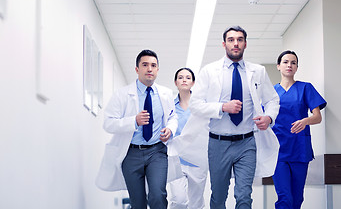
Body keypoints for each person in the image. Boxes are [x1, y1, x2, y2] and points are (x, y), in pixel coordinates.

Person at [175, 25, 280, 209]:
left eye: (239, 39)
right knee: (218, 197)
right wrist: (222, 107)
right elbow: (196, 105)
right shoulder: (209, 71)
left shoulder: (258, 71)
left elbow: (272, 99)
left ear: (245, 44)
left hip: (247, 143)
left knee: (244, 196)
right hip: (218, 144)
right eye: (231, 40)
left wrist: (269, 117)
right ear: (224, 44)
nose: (235, 43)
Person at [95, 49, 178, 209]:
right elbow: (108, 123)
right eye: (145, 65)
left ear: (157, 70)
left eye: (153, 65)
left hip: (157, 152)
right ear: (137, 69)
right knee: (137, 202)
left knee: (158, 195)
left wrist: (170, 129)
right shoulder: (122, 95)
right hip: (131, 153)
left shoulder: (166, 94)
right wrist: (133, 121)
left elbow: (173, 117)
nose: (149, 69)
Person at [271, 50, 327, 209]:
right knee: (285, 197)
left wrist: (305, 121)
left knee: (297, 199)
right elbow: (265, 119)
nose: (289, 65)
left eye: (293, 63)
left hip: (299, 150)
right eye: (285, 62)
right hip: (278, 151)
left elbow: (317, 117)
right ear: (278, 66)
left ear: (296, 67)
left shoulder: (305, 88)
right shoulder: (271, 92)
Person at [168, 68, 207, 209]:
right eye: (180, 77)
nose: (184, 80)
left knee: (196, 203)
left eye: (188, 77)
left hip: (198, 161)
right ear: (175, 82)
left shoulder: (201, 106)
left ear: (193, 82)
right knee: (179, 201)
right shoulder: (170, 107)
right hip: (176, 160)